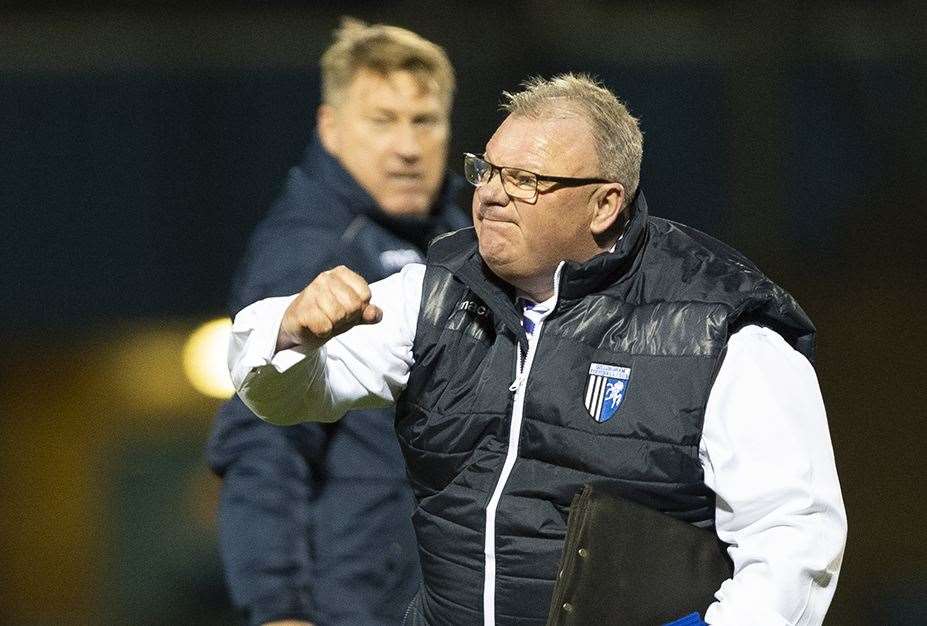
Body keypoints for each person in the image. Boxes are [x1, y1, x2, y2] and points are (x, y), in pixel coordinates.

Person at [228, 74, 848, 626]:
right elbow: (284, 398)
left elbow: (793, 539)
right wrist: (289, 330)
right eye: (487, 170)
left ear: (605, 203)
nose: (492, 194)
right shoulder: (435, 292)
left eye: (525, 180)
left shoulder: (723, 332)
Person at [206, 19, 468, 626]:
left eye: (423, 121)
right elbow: (262, 442)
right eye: (382, 120)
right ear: (330, 128)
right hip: (354, 603)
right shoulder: (310, 249)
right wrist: (277, 608)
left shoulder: (468, 244)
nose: (407, 146)